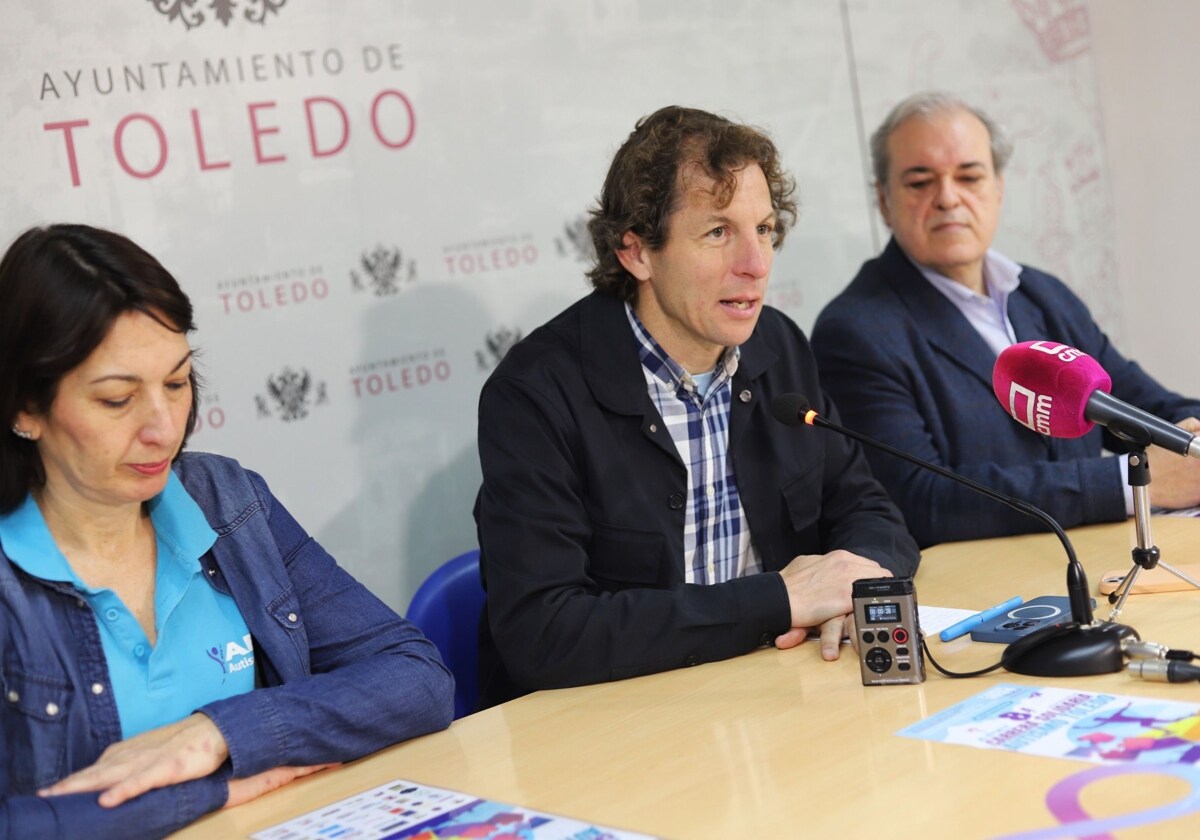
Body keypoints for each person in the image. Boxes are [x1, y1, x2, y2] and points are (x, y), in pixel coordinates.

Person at [0, 224, 455, 838]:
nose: (163, 427)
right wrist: (210, 794)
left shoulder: (227, 502)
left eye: (177, 383)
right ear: (24, 408)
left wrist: (220, 732)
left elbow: (416, 677)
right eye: (116, 400)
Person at [473, 105, 920, 708]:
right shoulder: (536, 394)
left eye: (763, 229)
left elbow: (866, 506)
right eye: (718, 232)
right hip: (614, 726)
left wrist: (855, 581)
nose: (756, 265)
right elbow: (544, 634)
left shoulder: (777, 345)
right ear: (636, 253)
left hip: (771, 692)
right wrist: (780, 600)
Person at [811, 91, 1200, 548]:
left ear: (998, 187)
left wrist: (1190, 436)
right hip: (982, 595)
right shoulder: (855, 331)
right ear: (883, 200)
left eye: (969, 176)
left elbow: (1142, 404)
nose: (948, 198)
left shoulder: (1042, 294)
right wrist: (1135, 481)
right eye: (920, 182)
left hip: (1092, 565)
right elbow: (921, 500)